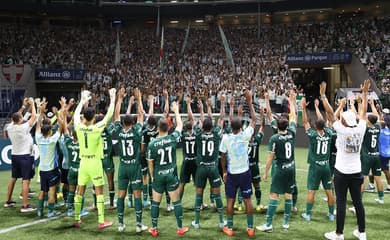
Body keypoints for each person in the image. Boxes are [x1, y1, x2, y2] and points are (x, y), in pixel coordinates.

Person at [323, 80, 370, 240]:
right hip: (357, 172)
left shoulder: (341, 130)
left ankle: (339, 234)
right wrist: (364, 94)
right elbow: (363, 112)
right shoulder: (361, 128)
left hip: (341, 172)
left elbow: (330, 114)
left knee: (341, 202)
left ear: (344, 121)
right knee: (358, 203)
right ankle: (362, 233)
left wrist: (323, 96)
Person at [72, 88, 116, 229]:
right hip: (95, 163)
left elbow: (75, 116)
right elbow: (109, 115)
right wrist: (113, 97)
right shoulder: (97, 128)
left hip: (83, 163)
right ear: (94, 117)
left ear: (84, 117)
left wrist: (82, 101)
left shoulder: (78, 127)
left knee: (80, 191)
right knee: (99, 192)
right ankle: (101, 221)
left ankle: (77, 219)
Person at [147, 101, 189, 237]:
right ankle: (180, 227)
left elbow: (150, 162)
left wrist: (152, 176)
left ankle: (154, 228)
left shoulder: (152, 143)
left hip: (158, 175)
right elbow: (181, 126)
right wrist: (176, 110)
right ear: (168, 127)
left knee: (155, 203)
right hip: (171, 174)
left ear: (158, 128)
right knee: (176, 202)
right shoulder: (172, 138)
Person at [220, 90, 256, 237]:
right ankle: (250, 228)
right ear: (241, 126)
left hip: (232, 173)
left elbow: (222, 155)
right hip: (245, 172)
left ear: (231, 127)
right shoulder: (245, 135)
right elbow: (254, 119)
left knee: (230, 200)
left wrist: (224, 171)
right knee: (247, 200)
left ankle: (229, 228)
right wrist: (249, 101)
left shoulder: (226, 138)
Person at [114, 87, 148, 233]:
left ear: (123, 123)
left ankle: (121, 224)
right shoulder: (136, 132)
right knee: (137, 195)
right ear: (132, 123)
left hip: (122, 166)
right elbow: (141, 115)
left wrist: (120, 99)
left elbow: (115, 115)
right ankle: (139, 225)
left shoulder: (120, 132)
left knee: (121, 195)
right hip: (134, 166)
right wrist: (139, 99)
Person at [192, 95, 225, 230]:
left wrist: (202, 110)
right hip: (213, 167)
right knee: (217, 194)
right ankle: (222, 221)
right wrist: (222, 103)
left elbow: (197, 121)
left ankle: (196, 222)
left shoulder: (198, 134)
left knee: (199, 194)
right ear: (212, 126)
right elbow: (221, 118)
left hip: (201, 168)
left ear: (203, 126)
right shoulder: (216, 133)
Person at [300, 97, 335, 222]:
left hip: (315, 167)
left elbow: (305, 123)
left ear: (315, 126)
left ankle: (308, 214)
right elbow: (329, 120)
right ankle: (331, 214)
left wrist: (303, 108)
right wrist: (320, 106)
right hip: (326, 166)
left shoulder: (313, 135)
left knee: (312, 191)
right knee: (329, 191)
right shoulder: (330, 133)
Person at [4, 97, 37, 212]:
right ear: (20, 119)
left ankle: (8, 201)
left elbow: (16, 117)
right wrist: (32, 104)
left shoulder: (9, 127)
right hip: (25, 156)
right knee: (26, 180)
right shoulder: (23, 127)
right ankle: (25, 205)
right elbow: (33, 117)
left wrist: (23, 106)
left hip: (15, 155)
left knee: (13, 178)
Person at [35, 98, 62, 218]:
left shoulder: (38, 138)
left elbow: (37, 124)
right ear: (50, 131)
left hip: (42, 171)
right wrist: (57, 113)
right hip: (51, 170)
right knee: (52, 191)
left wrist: (40, 112)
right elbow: (61, 126)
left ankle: (40, 211)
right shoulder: (52, 140)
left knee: (42, 191)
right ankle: (51, 212)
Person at [360, 97, 384, 204]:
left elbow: (361, 115)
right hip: (376, 155)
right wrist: (372, 105)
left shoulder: (366, 128)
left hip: (367, 156)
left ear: (368, 121)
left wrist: (361, 103)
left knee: (363, 177)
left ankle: (359, 199)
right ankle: (381, 198)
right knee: (378, 177)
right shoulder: (378, 127)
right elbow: (377, 117)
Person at [178, 95, 197, 200]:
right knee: (198, 184)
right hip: (195, 161)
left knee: (182, 183)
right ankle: (200, 203)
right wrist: (189, 104)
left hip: (186, 161)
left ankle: (177, 203)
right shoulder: (196, 134)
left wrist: (187, 104)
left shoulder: (183, 135)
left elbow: (190, 120)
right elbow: (192, 118)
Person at [379, 115, 390, 192]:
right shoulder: (388, 131)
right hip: (387, 153)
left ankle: (389, 187)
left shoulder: (381, 133)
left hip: (382, 154)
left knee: (385, 171)